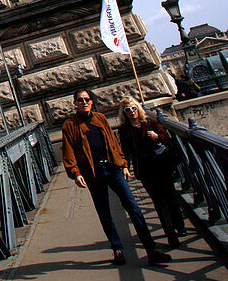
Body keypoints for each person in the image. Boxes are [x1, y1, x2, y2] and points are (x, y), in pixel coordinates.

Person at [61, 89, 171, 266]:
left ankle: (151, 250)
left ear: (91, 101)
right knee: (104, 213)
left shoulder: (100, 118)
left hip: (113, 169)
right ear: (75, 103)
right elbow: (68, 151)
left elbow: (113, 143)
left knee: (134, 208)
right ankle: (117, 249)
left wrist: (124, 164)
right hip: (93, 175)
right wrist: (75, 173)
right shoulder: (70, 125)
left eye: (87, 99)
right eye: (80, 100)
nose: (84, 102)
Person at [118, 96, 187, 247]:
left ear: (138, 108)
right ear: (124, 113)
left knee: (171, 196)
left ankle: (180, 226)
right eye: (128, 110)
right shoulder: (124, 130)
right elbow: (125, 150)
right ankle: (171, 235)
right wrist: (125, 166)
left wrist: (157, 136)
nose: (131, 112)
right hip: (145, 170)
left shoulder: (150, 121)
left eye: (134, 108)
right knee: (159, 202)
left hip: (162, 165)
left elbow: (168, 139)